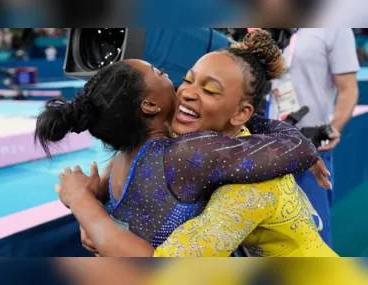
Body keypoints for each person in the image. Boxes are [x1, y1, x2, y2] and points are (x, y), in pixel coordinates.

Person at [38, 30, 333, 257]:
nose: (187, 92)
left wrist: (86, 208)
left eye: (210, 90)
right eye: (187, 80)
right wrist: (91, 214)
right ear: (149, 106)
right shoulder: (177, 143)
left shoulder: (230, 171)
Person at [269, 28, 360, 247]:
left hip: (310, 147)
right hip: (266, 145)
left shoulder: (336, 28)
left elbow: (348, 89)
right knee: (266, 237)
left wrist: (334, 127)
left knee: (312, 236)